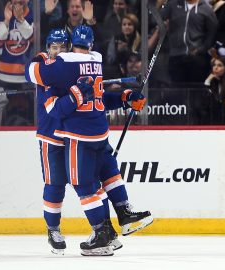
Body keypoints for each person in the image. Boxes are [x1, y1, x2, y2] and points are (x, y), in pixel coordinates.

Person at [26, 25, 152, 256]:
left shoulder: (65, 66)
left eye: (62, 47)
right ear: (47, 48)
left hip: (73, 134)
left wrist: (123, 97)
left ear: (70, 47)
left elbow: (96, 96)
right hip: (52, 136)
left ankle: (106, 232)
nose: (58, 51)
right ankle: (53, 229)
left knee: (92, 182)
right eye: (54, 47)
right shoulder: (51, 67)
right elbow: (52, 104)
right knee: (55, 186)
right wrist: (75, 93)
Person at [160, 0, 218, 84]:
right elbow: (158, 19)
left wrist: (201, 49)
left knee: (196, 88)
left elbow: (213, 32)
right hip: (175, 55)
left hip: (197, 57)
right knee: (176, 90)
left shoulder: (206, 9)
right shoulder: (173, 5)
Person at [204, 56, 225, 124]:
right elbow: (205, 99)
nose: (215, 68)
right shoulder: (215, 83)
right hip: (217, 121)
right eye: (214, 65)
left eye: (219, 65)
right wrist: (208, 80)